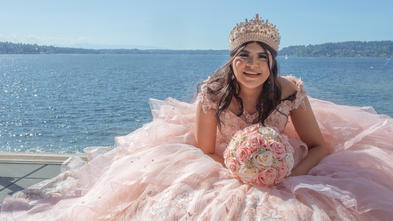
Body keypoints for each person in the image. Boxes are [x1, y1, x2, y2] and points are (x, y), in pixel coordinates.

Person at [1, 14, 393, 221]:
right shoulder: (214, 92)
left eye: (262, 56)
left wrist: (290, 174)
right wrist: (243, 172)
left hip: (283, 165)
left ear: (273, 61)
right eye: (244, 55)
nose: (252, 64)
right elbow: (206, 151)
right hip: (224, 163)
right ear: (232, 59)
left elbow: (319, 144)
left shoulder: (289, 90)